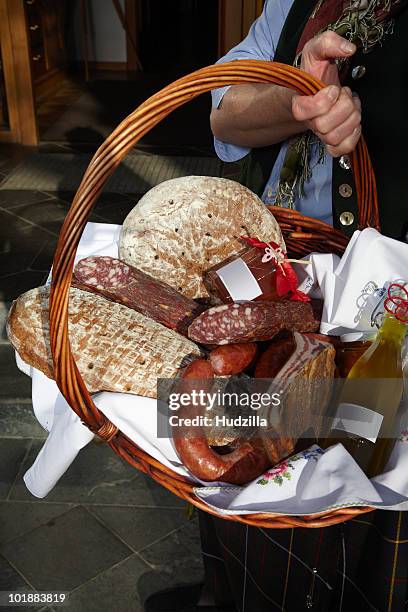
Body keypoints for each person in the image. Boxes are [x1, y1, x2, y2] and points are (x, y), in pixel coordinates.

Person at [145, 1, 408, 610]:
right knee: (231, 446)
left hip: (382, 301)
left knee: (360, 477)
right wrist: (296, 99)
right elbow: (224, 113)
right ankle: (234, 585)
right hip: (271, 280)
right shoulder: (294, 5)